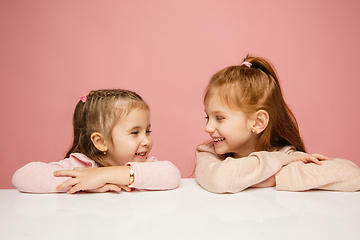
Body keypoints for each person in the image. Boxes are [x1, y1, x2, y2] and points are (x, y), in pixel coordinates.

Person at [195, 55, 360, 193]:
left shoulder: (286, 153)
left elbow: (353, 176)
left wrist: (251, 178)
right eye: (207, 118)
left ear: (258, 122)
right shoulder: (208, 154)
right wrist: (278, 166)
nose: (208, 128)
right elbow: (220, 179)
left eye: (219, 118)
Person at [12, 89, 181, 194]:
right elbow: (21, 176)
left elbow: (172, 175)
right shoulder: (80, 166)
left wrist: (102, 175)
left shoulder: (144, 166)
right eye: (135, 132)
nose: (146, 140)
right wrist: (85, 183)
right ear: (100, 142)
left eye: (147, 131)